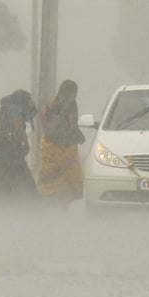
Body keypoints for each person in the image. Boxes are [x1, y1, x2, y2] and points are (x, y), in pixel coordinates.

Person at [37, 80, 85, 208]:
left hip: (49, 145)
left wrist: (52, 132)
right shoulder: (71, 104)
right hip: (66, 147)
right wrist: (79, 137)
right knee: (71, 175)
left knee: (50, 176)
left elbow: (43, 119)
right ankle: (65, 205)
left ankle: (48, 200)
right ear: (72, 92)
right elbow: (72, 123)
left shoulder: (51, 104)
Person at [0, 89, 38, 206]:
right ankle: (28, 210)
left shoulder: (5, 109)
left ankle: (2, 210)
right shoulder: (17, 109)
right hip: (11, 155)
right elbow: (18, 128)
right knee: (25, 187)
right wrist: (24, 144)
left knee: (2, 187)